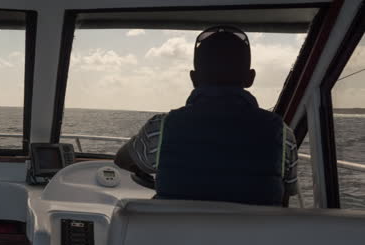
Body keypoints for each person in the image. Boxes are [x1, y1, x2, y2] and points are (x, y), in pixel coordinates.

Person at [114, 26, 298, 206]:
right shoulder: (282, 135)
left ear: (194, 78)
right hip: (256, 237)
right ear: (250, 78)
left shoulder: (161, 128)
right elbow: (285, 198)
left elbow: (122, 159)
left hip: (177, 236)